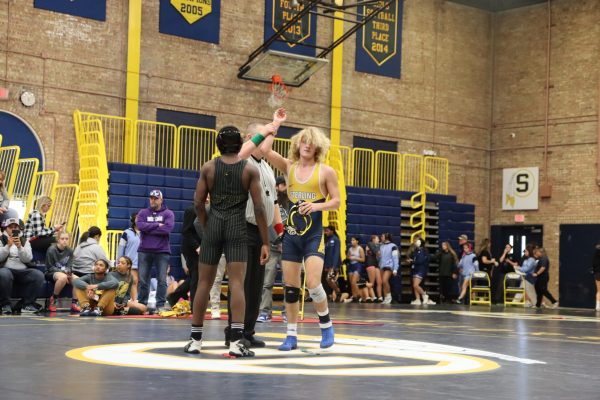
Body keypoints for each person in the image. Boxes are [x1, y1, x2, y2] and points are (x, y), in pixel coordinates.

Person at [184, 125, 270, 358]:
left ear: (218, 145)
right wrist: (265, 241)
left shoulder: (209, 168)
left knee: (203, 283)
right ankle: (236, 343)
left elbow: (198, 203)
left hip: (214, 227)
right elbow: (260, 207)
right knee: (236, 284)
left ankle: (195, 340)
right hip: (236, 228)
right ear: (241, 144)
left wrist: (207, 225)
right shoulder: (249, 170)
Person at [260, 116, 341, 351]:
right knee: (291, 288)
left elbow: (336, 201)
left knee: (314, 284)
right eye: (303, 141)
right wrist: (275, 124)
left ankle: (326, 324)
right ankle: (291, 335)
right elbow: (264, 150)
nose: (306, 145)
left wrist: (317, 206)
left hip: (314, 236)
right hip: (293, 237)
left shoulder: (326, 172)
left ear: (318, 146)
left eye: (311, 142)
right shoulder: (289, 167)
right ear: (297, 144)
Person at [224, 118, 286, 348]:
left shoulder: (267, 167)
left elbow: (274, 203)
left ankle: (247, 331)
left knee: (255, 285)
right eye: (264, 135)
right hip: (241, 227)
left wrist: (280, 232)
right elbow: (241, 152)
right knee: (240, 283)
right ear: (250, 139)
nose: (269, 138)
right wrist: (272, 125)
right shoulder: (241, 160)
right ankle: (234, 332)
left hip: (261, 231)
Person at [136, 189, 175, 312]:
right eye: (151, 198)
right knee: (143, 280)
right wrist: (157, 225)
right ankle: (142, 305)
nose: (153, 200)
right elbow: (140, 226)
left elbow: (167, 229)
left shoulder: (168, 213)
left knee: (162, 280)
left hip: (162, 251)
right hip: (144, 250)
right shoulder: (143, 212)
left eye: (156, 198)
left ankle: (160, 305)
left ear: (161, 200)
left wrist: (148, 229)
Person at [257, 176, 289, 323]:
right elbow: (265, 222)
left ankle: (288, 312)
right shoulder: (269, 201)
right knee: (266, 282)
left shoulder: (292, 203)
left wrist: (287, 241)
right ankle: (265, 312)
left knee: (289, 282)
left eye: (283, 185)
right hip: (272, 245)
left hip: (289, 247)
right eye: (280, 185)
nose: (281, 188)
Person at [0, 218, 44, 314]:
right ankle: (5, 305)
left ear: (19, 229)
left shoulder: (24, 241)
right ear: (6, 229)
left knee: (38, 275)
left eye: (15, 227)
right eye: (10, 227)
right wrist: (7, 246)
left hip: (22, 271)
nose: (13, 229)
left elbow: (28, 259)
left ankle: (27, 304)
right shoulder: (1, 240)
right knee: (4, 273)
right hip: (6, 269)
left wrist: (20, 247)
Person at [167, 204, 202, 310]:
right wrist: (197, 246)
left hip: (201, 247)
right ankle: (195, 306)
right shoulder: (191, 210)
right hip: (192, 249)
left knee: (195, 277)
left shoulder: (207, 210)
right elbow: (186, 231)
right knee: (196, 276)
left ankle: (175, 296)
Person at [45, 231, 79, 312]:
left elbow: (69, 266)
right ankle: (54, 299)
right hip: (51, 272)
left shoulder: (70, 251)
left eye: (66, 239)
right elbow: (50, 267)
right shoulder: (51, 250)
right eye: (62, 239)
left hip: (65, 272)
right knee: (63, 278)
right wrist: (63, 273)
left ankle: (74, 303)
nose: (64, 241)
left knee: (77, 280)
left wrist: (68, 272)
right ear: (58, 240)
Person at [116, 213, 140, 300]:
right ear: (133, 220)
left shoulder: (147, 233)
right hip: (131, 263)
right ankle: (132, 301)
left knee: (140, 283)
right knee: (133, 282)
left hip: (143, 263)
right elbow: (121, 248)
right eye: (137, 218)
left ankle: (137, 301)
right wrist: (118, 263)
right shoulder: (127, 233)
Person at [407, 236, 434, 305]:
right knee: (414, 285)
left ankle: (425, 295)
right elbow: (415, 259)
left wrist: (412, 261)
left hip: (421, 269)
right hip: (415, 269)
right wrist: (411, 261)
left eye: (416, 241)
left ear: (420, 242)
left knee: (416, 285)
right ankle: (418, 299)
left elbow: (420, 261)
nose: (415, 242)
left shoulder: (423, 250)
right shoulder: (416, 250)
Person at [378, 233, 399, 305]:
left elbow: (395, 258)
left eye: (382, 236)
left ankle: (389, 297)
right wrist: (378, 257)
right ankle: (385, 298)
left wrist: (395, 268)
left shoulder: (393, 246)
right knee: (383, 283)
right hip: (382, 266)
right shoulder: (381, 246)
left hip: (389, 266)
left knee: (384, 280)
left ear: (386, 237)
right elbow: (379, 257)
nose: (381, 237)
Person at [346, 236, 365, 302]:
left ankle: (359, 295)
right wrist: (349, 257)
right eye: (351, 240)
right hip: (351, 266)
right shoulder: (350, 249)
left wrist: (354, 258)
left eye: (353, 240)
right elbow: (348, 257)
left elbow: (363, 259)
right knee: (351, 283)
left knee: (354, 282)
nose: (352, 241)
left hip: (357, 265)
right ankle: (354, 296)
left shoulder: (360, 249)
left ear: (357, 241)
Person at [365, 234, 382, 302]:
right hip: (370, 263)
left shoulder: (378, 245)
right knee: (372, 283)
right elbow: (375, 251)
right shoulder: (370, 243)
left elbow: (378, 253)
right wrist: (379, 247)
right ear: (373, 239)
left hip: (376, 264)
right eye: (377, 238)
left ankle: (380, 297)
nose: (379, 240)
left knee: (379, 282)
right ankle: (371, 296)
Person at [592, 242, 600, 311]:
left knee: (599, 290)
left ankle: (597, 306)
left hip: (598, 273)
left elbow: (593, 264)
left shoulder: (596, 252)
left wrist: (595, 272)